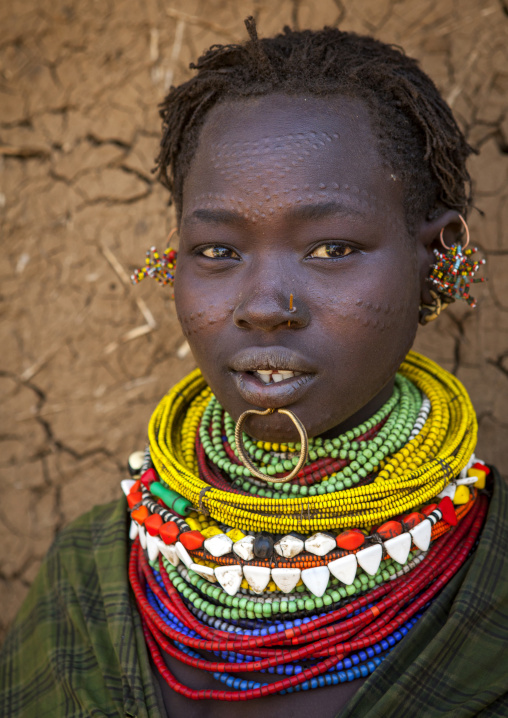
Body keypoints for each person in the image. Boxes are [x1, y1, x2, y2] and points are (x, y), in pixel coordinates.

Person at [1, 18, 507, 718]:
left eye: (331, 248)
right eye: (217, 250)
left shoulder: (491, 582)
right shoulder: (89, 576)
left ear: (438, 257)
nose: (266, 306)